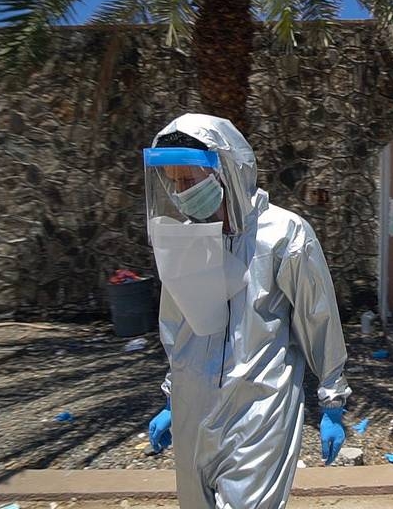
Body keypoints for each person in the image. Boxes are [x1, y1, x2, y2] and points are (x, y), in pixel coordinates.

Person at [143, 113, 351, 508]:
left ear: (226, 170)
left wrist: (332, 400)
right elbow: (178, 326)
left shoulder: (284, 234)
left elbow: (317, 317)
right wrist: (173, 399)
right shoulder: (188, 235)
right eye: (174, 181)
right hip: (194, 409)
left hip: (259, 407)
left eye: (190, 180)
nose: (181, 192)